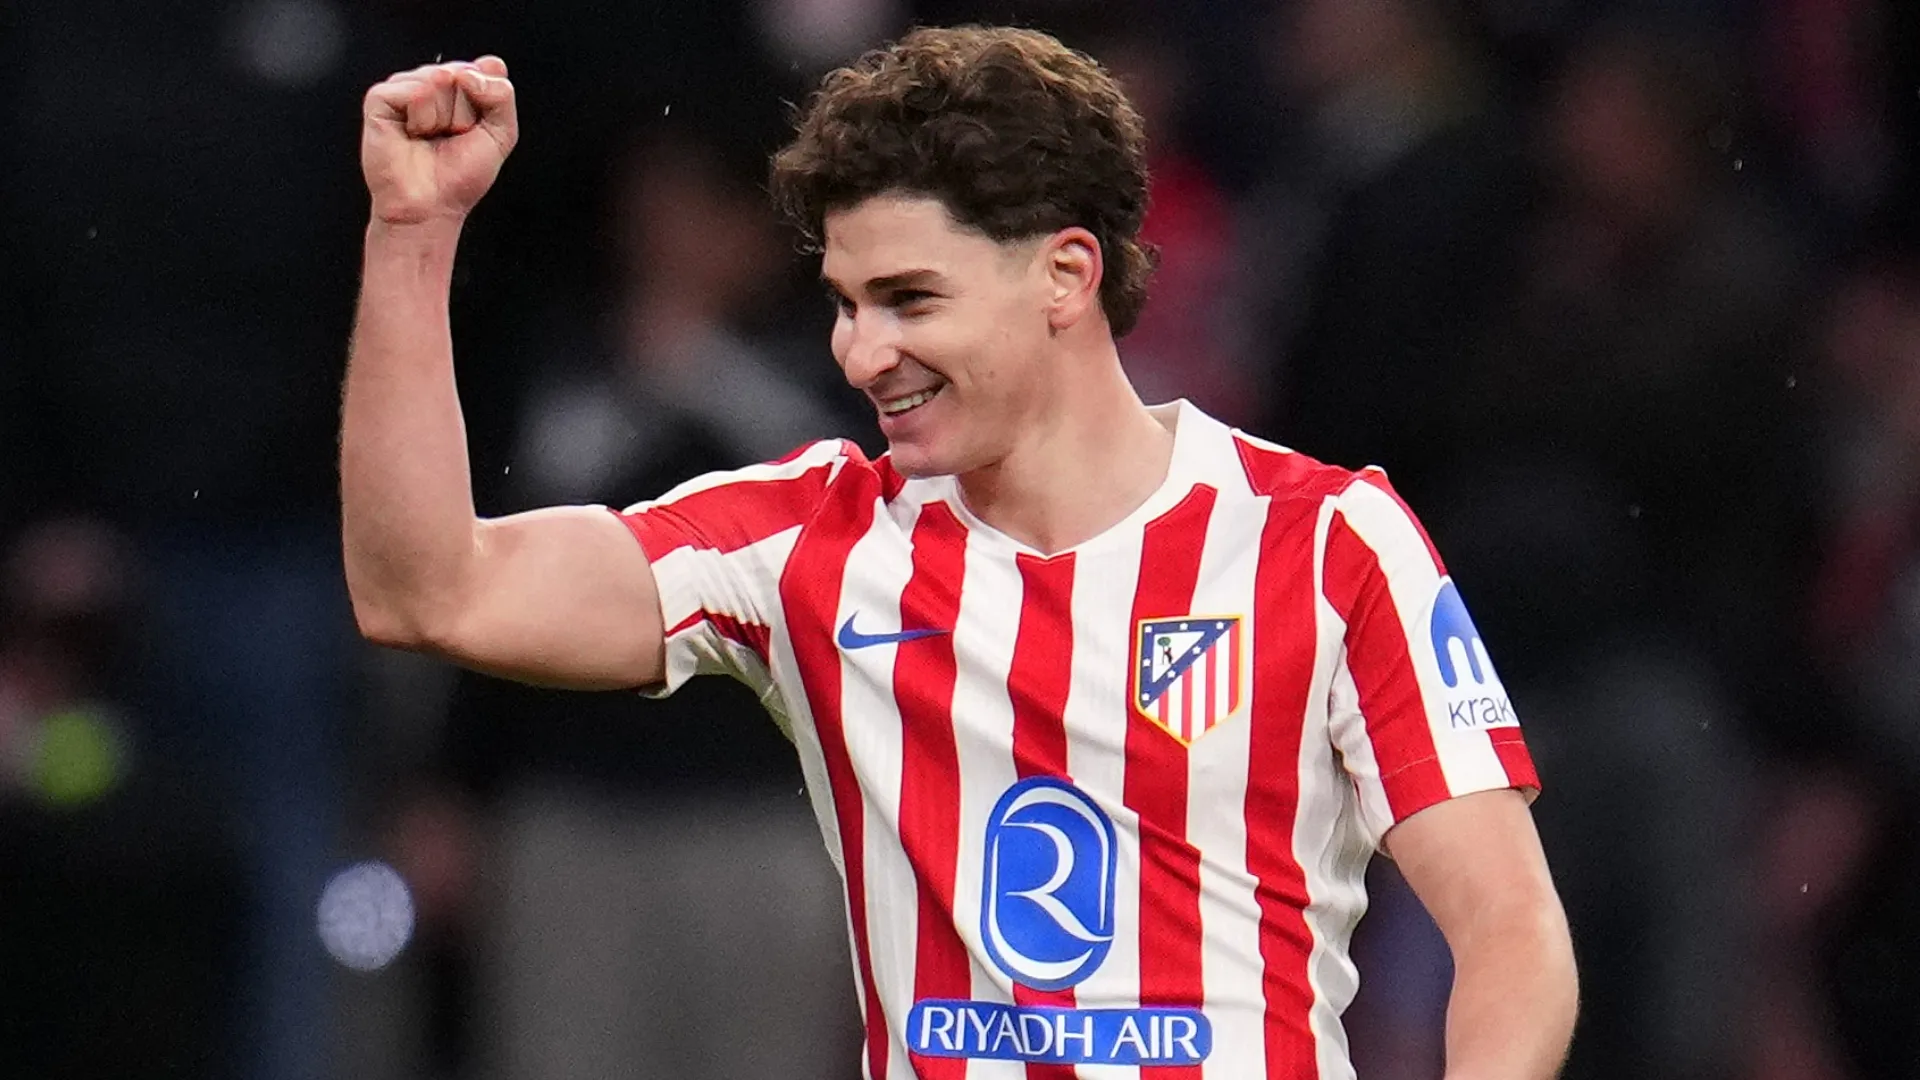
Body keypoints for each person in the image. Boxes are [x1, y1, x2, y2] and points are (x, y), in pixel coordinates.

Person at [342, 25, 1577, 1079]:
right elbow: (430, 590)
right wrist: (411, 233)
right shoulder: (807, 542)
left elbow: (1512, 933)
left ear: (1066, 274)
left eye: (910, 300)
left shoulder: (1320, 541)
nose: (860, 352)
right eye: (843, 302)